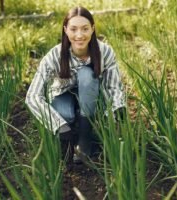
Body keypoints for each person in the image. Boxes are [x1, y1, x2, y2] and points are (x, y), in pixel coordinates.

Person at [25, 6, 126, 163]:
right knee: (65, 116)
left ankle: (85, 140)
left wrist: (118, 107)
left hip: (92, 95)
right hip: (63, 94)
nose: (79, 35)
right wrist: (58, 125)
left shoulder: (104, 52)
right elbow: (32, 96)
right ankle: (69, 137)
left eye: (85, 29)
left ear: (92, 29)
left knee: (87, 74)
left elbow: (113, 86)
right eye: (73, 29)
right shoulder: (54, 56)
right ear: (65, 30)